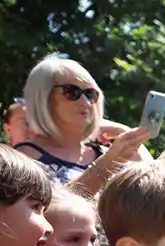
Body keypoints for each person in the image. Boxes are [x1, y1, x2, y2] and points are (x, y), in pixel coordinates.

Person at [18, 56, 150, 194]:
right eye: (72, 92)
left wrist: (123, 130)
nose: (85, 102)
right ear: (43, 98)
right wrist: (108, 162)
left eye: (90, 94)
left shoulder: (105, 154)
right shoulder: (24, 157)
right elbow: (56, 210)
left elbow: (158, 194)